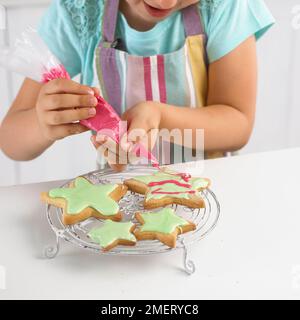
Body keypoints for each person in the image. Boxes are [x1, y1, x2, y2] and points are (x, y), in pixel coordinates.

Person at [0, 0, 275, 171]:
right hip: (121, 199)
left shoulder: (225, 6)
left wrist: (159, 116)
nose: (164, 1)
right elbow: (10, 140)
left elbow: (237, 123)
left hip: (208, 192)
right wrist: (42, 122)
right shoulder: (80, 12)